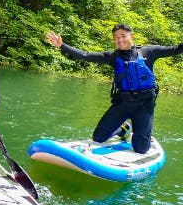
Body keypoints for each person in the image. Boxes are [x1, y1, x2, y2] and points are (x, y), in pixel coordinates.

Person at [46, 23, 183, 153]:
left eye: (123, 36)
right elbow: (85, 55)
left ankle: (139, 132)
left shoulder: (150, 52)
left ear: (132, 36)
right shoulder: (112, 56)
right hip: (123, 103)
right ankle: (123, 129)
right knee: (98, 137)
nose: (119, 40)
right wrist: (62, 45)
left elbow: (176, 49)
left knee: (141, 149)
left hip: (144, 105)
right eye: (116, 37)